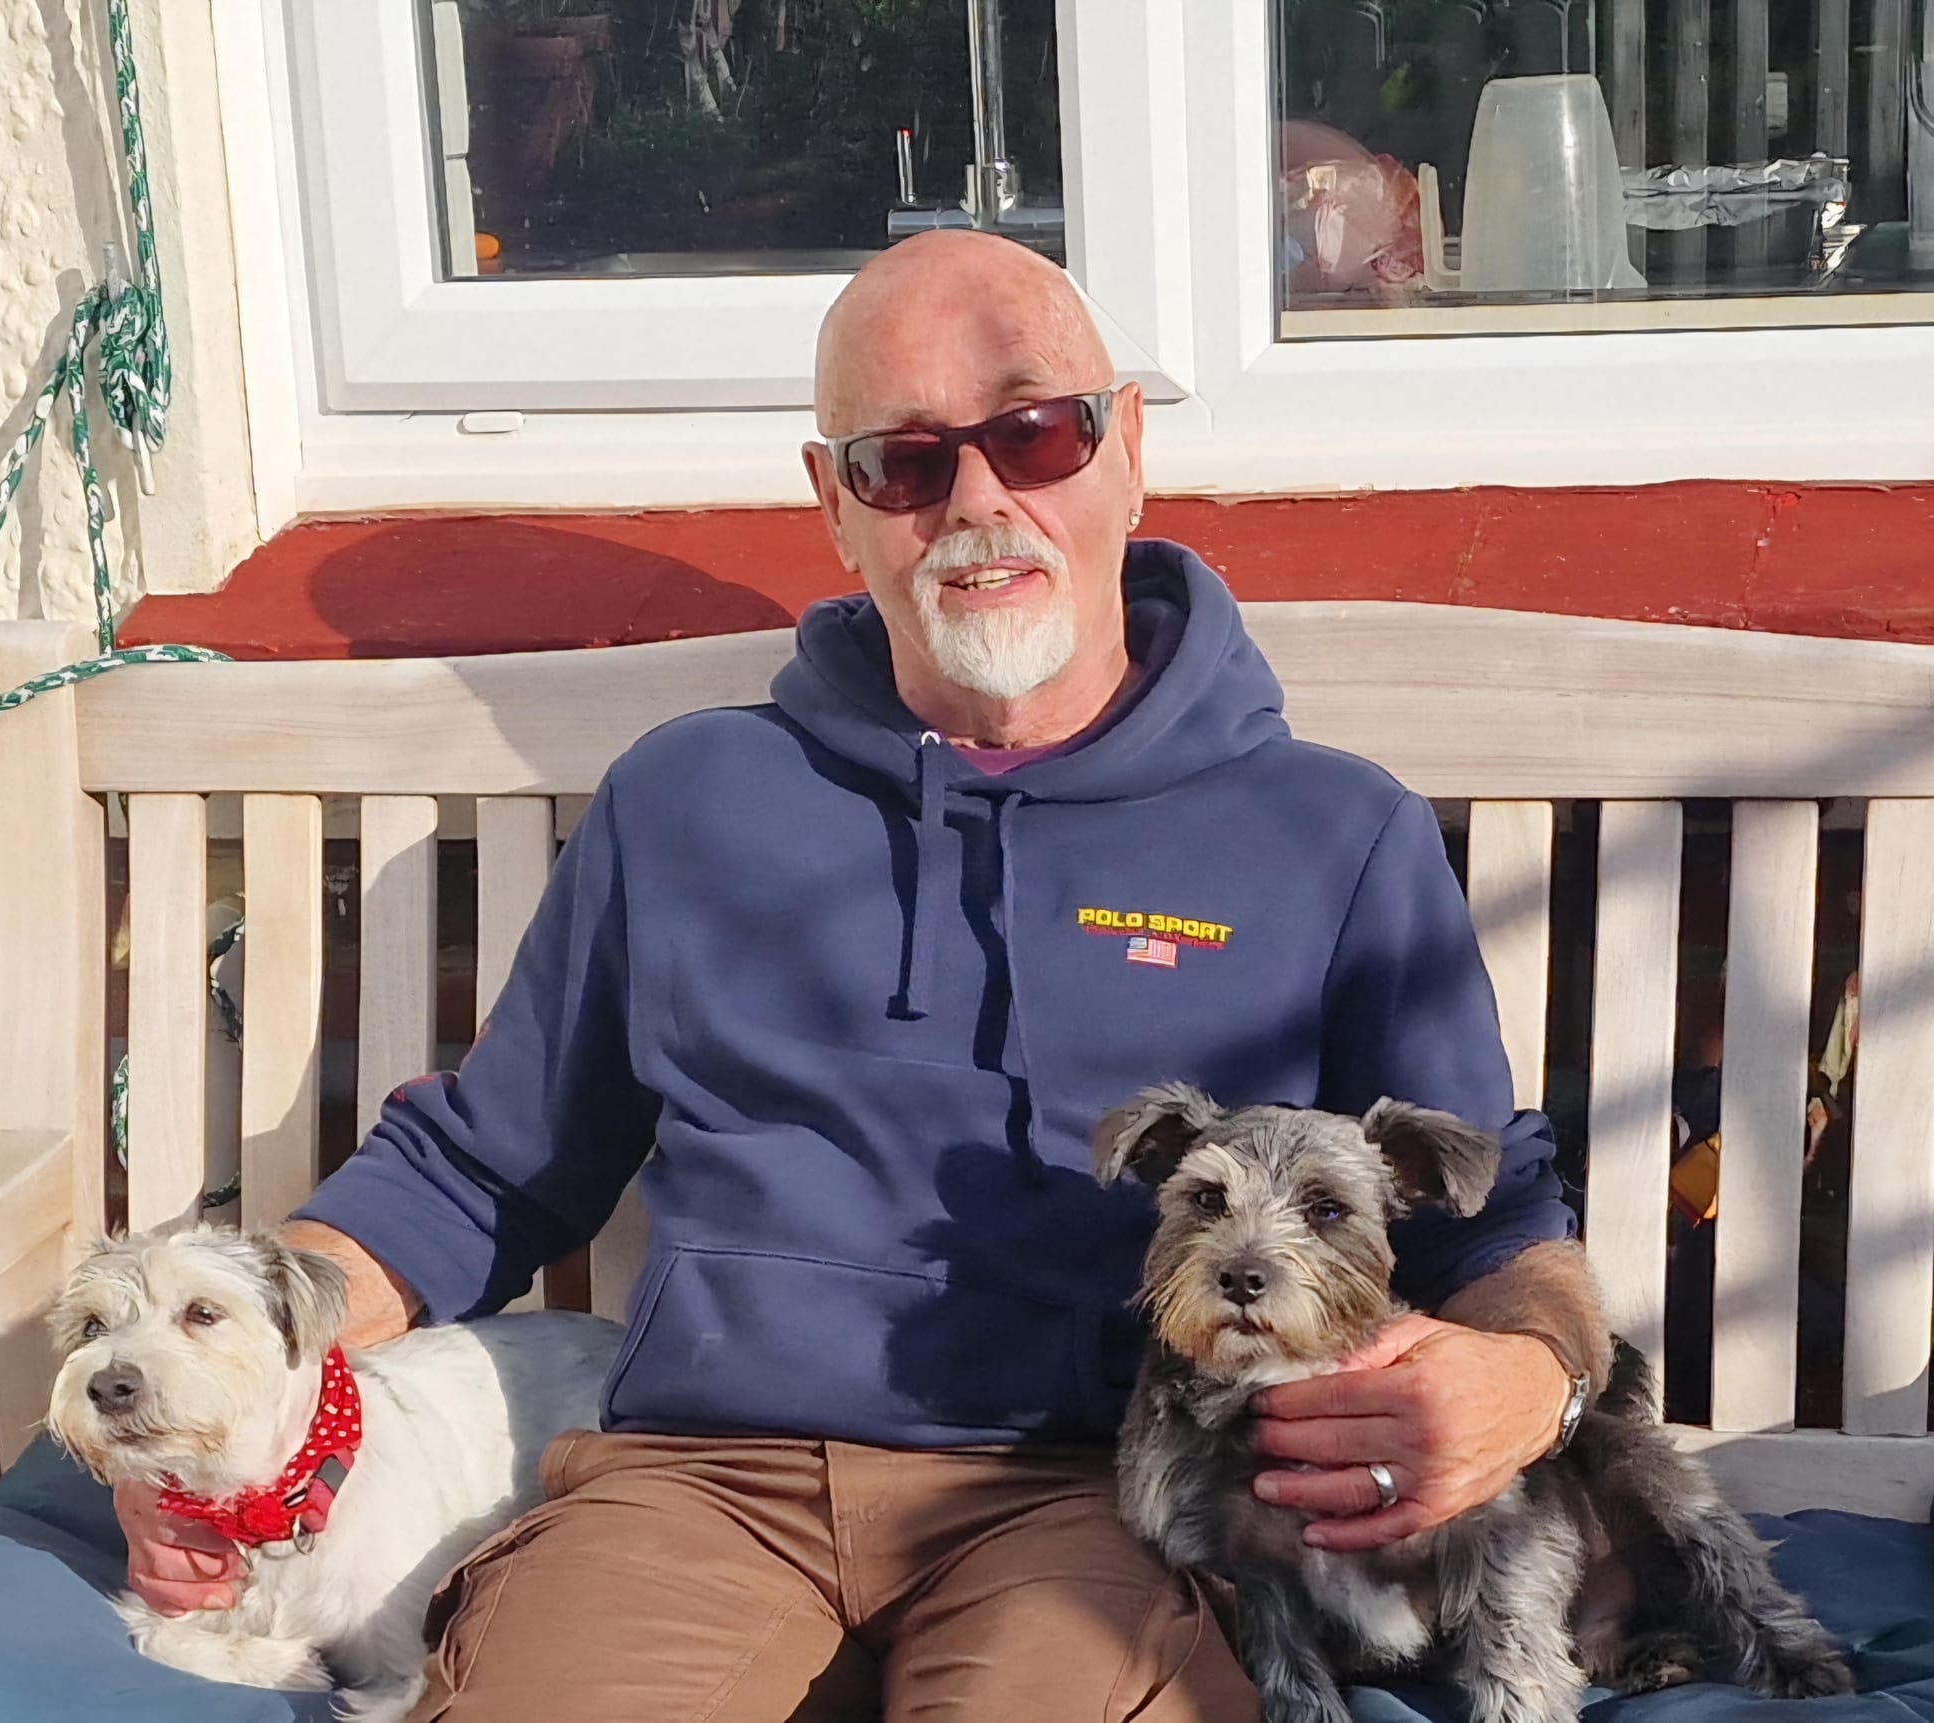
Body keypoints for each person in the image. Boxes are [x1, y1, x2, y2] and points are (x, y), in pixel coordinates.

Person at [114, 230, 1607, 1721]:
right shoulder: (689, 799)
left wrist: (1534, 1379)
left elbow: (1493, 1212)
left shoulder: (1328, 832)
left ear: (1127, 450)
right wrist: (233, 1375)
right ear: (834, 507)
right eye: (904, 461)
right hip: (702, 1486)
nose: (979, 498)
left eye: (1032, 431)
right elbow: (486, 1169)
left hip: (1094, 1495)